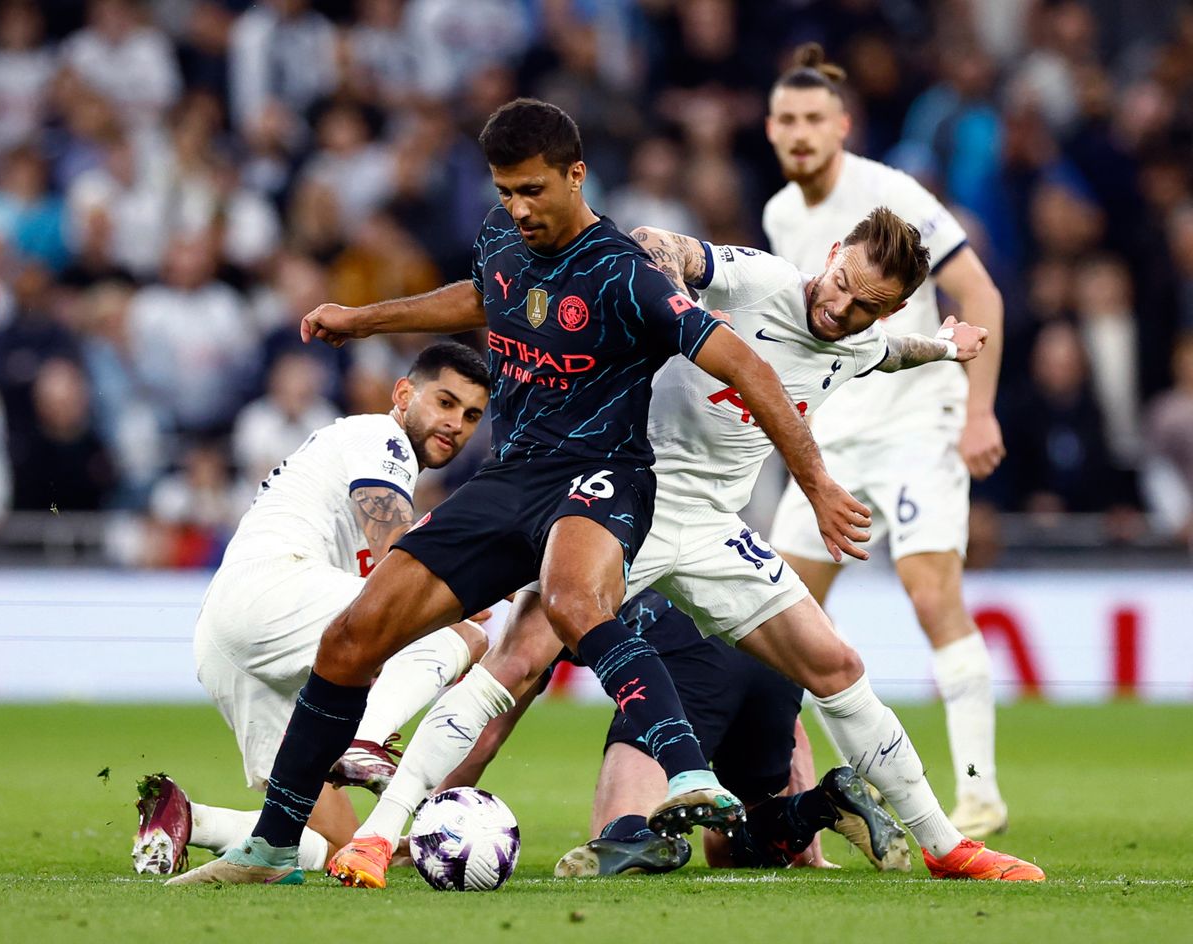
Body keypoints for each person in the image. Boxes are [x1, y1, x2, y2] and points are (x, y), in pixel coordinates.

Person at [169, 98, 870, 887]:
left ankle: (686, 773)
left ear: (577, 175)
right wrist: (364, 321)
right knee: (350, 639)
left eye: (533, 189)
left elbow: (746, 366)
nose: (519, 208)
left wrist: (815, 485)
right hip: (514, 474)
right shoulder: (505, 240)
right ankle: (270, 846)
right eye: (506, 191)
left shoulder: (626, 274)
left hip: (606, 474)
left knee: (574, 602)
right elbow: (482, 296)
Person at [325, 210, 1044, 886]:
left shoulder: (858, 338)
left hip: (708, 525)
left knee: (837, 664)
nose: (839, 308)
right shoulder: (759, 279)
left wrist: (948, 347)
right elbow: (653, 242)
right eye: (842, 283)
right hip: (620, 498)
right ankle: (378, 837)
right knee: (512, 664)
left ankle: (948, 848)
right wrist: (682, 306)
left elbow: (887, 354)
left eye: (864, 304)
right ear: (830, 257)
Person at [762, 44, 1011, 837]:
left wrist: (979, 411)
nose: (800, 133)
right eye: (787, 119)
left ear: (841, 124)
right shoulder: (778, 214)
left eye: (814, 119)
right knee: (782, 616)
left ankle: (978, 792)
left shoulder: (891, 193)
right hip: (831, 429)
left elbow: (979, 292)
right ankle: (829, 792)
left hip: (916, 417)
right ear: (770, 128)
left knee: (930, 592)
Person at [137, 343, 491, 876]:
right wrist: (474, 582)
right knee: (461, 634)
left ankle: (191, 818)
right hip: (276, 588)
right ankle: (366, 740)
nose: (455, 425)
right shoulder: (381, 437)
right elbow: (399, 546)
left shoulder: (357, 447)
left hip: (226, 636)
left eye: (470, 416)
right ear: (403, 394)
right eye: (445, 402)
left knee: (339, 843)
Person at [553, 590, 912, 877]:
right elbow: (796, 730)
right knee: (727, 851)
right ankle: (823, 804)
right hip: (768, 642)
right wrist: (809, 847)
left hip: (680, 640)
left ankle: (639, 836)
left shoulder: (559, 570)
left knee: (618, 833)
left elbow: (518, 668)